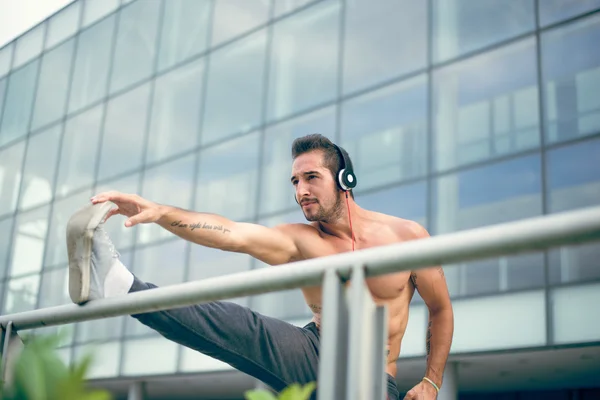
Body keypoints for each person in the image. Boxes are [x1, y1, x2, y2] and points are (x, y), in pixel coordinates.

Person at [66, 134, 453, 400]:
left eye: (311, 178)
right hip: (314, 351)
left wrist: (432, 381)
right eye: (295, 180)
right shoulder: (302, 240)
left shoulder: (406, 236)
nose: (301, 190)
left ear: (345, 179)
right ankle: (121, 284)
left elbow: (440, 308)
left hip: (372, 377)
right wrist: (160, 212)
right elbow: (232, 234)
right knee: (232, 321)